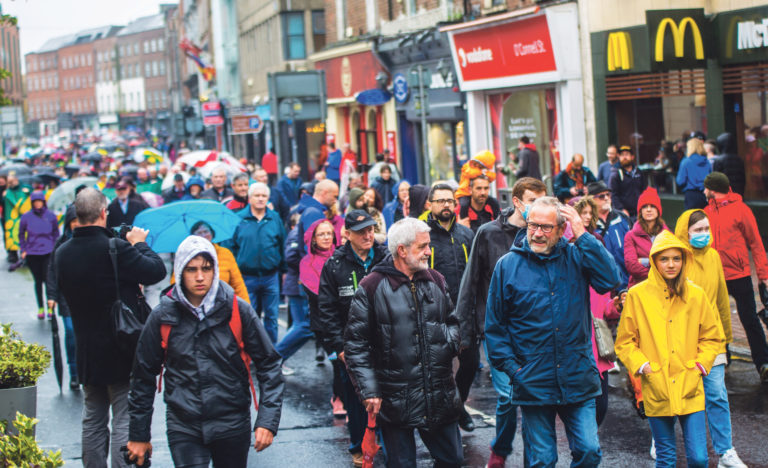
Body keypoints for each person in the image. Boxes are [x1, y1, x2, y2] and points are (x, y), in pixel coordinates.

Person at [126, 236, 284, 467]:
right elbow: (143, 375)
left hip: (232, 423)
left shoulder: (238, 310)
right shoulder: (162, 315)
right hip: (184, 425)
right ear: (180, 271)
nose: (200, 277)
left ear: (215, 270)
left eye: (206, 268)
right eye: (191, 269)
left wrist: (267, 421)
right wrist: (139, 434)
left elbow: (269, 364)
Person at [485, 197, 620, 467]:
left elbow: (609, 280)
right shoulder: (507, 266)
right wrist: (515, 371)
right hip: (532, 380)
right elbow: (495, 328)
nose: (537, 233)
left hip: (577, 376)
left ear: (560, 230)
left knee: (589, 451)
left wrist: (583, 234)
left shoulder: (577, 256)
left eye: (546, 227)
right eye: (532, 225)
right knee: (542, 460)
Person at [55, 188, 166, 468]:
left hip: (86, 348)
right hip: (121, 344)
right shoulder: (115, 248)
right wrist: (139, 244)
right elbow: (156, 271)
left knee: (93, 418)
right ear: (104, 213)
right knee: (124, 415)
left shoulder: (62, 253)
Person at [345, 217, 463, 467]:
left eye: (428, 245)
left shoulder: (436, 280)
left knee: (452, 460)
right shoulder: (371, 286)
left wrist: (448, 343)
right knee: (402, 464)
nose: (428, 252)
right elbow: (356, 345)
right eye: (422, 246)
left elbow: (453, 322)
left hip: (439, 395)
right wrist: (369, 391)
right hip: (396, 399)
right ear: (401, 250)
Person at [457, 177, 547, 467]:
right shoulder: (488, 233)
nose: (538, 207)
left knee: (532, 397)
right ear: (517, 202)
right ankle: (500, 449)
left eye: (542, 201)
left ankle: (533, 460)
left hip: (534, 332)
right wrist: (465, 331)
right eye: (533, 201)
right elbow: (470, 282)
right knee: (509, 395)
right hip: (497, 331)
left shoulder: (545, 233)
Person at [614, 231, 723, 468]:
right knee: (665, 457)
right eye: (664, 259)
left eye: (676, 258)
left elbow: (713, 337)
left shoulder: (696, 294)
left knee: (699, 458)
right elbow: (625, 341)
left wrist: (700, 365)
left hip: (690, 384)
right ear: (654, 261)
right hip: (657, 386)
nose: (671, 265)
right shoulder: (637, 295)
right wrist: (644, 366)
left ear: (684, 260)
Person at [674, 209, 748, 468]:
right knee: (676, 393)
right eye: (698, 230)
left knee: (717, 394)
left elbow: (721, 298)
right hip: (681, 338)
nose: (704, 234)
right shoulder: (676, 257)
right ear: (685, 232)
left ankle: (726, 452)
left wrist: (726, 336)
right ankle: (661, 439)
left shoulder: (714, 256)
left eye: (706, 229)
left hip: (711, 338)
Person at [317, 210, 388, 466]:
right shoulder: (335, 264)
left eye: (370, 230)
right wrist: (339, 348)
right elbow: (326, 309)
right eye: (361, 232)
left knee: (387, 395)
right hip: (352, 345)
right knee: (356, 399)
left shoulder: (386, 257)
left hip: (385, 341)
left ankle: (385, 443)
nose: (368, 235)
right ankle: (358, 446)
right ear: (347, 234)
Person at [703, 172, 768, 382]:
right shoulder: (705, 212)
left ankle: (763, 363)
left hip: (739, 274)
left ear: (712, 189)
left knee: (749, 319)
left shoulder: (741, 209)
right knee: (716, 320)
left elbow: (756, 243)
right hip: (715, 275)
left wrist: (762, 274)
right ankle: (724, 359)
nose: (703, 191)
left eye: (706, 187)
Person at [423, 184, 475, 432]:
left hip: (464, 312)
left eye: (450, 200)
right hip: (433, 312)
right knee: (440, 368)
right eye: (440, 200)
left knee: (471, 363)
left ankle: (458, 406)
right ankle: (450, 416)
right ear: (429, 205)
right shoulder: (422, 235)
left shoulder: (467, 234)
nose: (446, 205)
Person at [226, 182, 286, 344]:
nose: (260, 199)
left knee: (272, 317)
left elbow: (282, 244)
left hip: (270, 276)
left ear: (268, 198)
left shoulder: (275, 218)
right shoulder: (239, 219)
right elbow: (231, 246)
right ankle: (252, 352)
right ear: (249, 198)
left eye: (264, 196)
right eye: (257, 195)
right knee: (249, 316)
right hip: (246, 277)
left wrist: (284, 270)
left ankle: (271, 352)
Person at [298, 218, 345, 416]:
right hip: (323, 324)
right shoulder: (307, 262)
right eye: (321, 234)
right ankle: (338, 398)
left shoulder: (342, 255)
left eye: (329, 233)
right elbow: (318, 293)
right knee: (338, 362)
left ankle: (349, 398)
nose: (326, 237)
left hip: (346, 319)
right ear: (313, 239)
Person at [168, 221, 250, 303]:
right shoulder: (186, 255)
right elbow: (175, 283)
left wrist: (245, 306)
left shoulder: (225, 253)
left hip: (223, 304)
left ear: (212, 233)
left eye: (206, 231)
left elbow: (238, 284)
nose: (203, 235)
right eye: (199, 233)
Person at [46, 206, 80, 389]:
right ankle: (74, 373)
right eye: (73, 221)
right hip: (66, 296)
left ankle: (83, 371)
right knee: (71, 333)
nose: (76, 224)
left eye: (78, 220)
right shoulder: (60, 244)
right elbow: (52, 270)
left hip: (86, 295)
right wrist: (51, 296)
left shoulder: (87, 239)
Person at [275, 214, 313, 374]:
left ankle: (276, 359)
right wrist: (310, 265)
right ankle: (275, 358)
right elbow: (290, 257)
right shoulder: (296, 233)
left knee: (302, 325)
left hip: (300, 284)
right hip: (298, 285)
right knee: (303, 325)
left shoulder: (302, 232)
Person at [19, 191, 60, 319]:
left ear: (43, 202)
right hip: (33, 253)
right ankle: (40, 307)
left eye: (39, 201)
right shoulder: (26, 217)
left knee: (48, 280)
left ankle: (50, 307)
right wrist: (23, 249)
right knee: (38, 281)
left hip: (48, 252)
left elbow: (56, 234)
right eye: (35, 202)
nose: (37, 204)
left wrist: (55, 249)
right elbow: (21, 234)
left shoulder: (51, 216)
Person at [624, 187, 670, 289]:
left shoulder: (668, 234)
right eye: (645, 207)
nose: (649, 209)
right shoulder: (631, 236)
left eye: (652, 206)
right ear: (640, 211)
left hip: (663, 288)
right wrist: (657, 274)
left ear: (658, 210)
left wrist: (644, 261)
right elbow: (631, 265)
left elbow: (670, 262)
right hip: (639, 287)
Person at [589, 181, 631, 289]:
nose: (606, 198)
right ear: (592, 200)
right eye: (601, 196)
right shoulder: (588, 224)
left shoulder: (622, 218)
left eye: (608, 194)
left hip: (627, 281)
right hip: (605, 285)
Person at [609, 145, 647, 218]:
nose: (624, 157)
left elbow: (644, 190)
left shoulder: (639, 172)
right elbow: (613, 195)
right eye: (622, 155)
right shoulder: (615, 174)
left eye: (627, 154)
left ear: (632, 157)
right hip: (624, 214)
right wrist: (621, 209)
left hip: (639, 212)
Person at [3, 172, 31, 263]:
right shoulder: (6, 192)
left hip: (24, 216)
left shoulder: (25, 189)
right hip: (10, 218)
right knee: (12, 235)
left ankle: (26, 254)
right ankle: (13, 254)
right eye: (9, 182)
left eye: (12, 181)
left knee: (26, 234)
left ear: (16, 179)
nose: (11, 183)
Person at [676, 138, 711, 209]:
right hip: (705, 195)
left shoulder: (686, 162)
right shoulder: (707, 162)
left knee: (692, 215)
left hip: (691, 195)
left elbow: (680, 181)